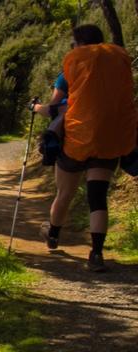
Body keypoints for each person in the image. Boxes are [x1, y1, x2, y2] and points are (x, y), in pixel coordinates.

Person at [34, 25, 137, 272]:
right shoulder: (118, 60)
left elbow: (55, 108)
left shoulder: (73, 64)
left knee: (64, 193)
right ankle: (97, 254)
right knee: (97, 198)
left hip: (77, 139)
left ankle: (53, 235)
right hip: (109, 139)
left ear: (78, 44)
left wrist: (36, 108)